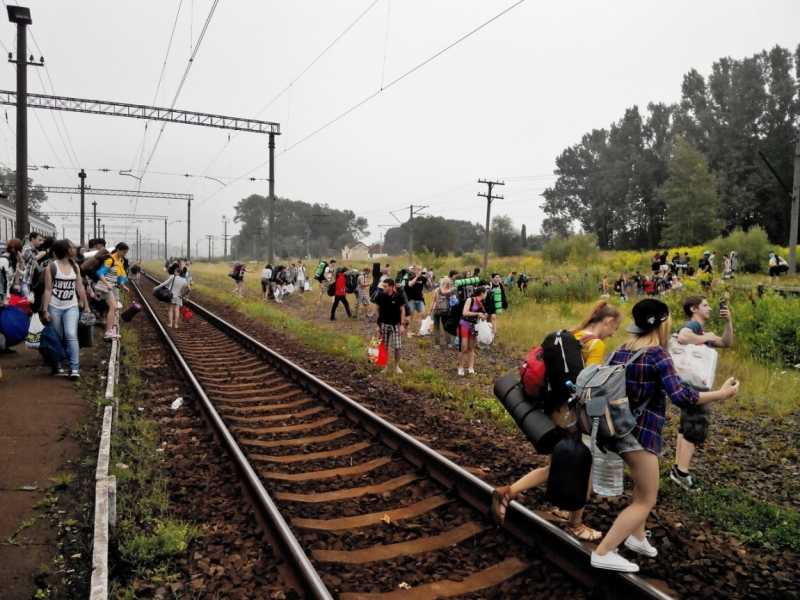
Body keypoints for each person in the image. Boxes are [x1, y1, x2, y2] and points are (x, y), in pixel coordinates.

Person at [590, 299, 739, 572]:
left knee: (640, 488)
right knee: (646, 499)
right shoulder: (657, 354)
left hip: (615, 429)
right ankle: (604, 551)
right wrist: (723, 394)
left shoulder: (621, 350)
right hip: (640, 435)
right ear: (662, 323)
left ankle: (636, 538)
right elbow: (683, 397)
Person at [490, 301, 623, 540]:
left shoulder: (572, 334)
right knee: (584, 468)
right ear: (609, 321)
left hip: (553, 410)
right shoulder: (596, 344)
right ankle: (576, 524)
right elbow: (589, 385)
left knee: (558, 466)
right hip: (572, 417)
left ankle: (508, 492)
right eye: (615, 328)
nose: (613, 333)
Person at [670, 295, 733, 491]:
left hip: (688, 381)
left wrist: (728, 322)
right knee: (697, 423)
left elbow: (726, 342)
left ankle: (677, 468)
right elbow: (683, 337)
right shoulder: (693, 326)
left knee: (686, 425)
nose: (710, 308)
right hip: (694, 384)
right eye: (705, 305)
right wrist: (707, 337)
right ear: (694, 309)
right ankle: (682, 473)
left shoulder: (701, 330)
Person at [42, 239, 91, 378]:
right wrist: (45, 310)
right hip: (54, 306)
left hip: (71, 306)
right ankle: (56, 366)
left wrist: (86, 304)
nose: (74, 249)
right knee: (56, 337)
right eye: (71, 247)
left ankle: (74, 368)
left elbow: (79, 287)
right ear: (64, 250)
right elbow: (48, 290)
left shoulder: (75, 266)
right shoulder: (51, 267)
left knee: (71, 334)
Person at [95, 242, 130, 340]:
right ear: (118, 249)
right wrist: (107, 284)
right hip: (106, 287)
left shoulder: (120, 260)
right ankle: (108, 332)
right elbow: (100, 273)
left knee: (114, 308)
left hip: (113, 286)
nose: (124, 254)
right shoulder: (110, 260)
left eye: (126, 253)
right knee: (113, 307)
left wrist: (123, 285)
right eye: (123, 252)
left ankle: (110, 330)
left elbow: (118, 275)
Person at [373, 279, 405, 374]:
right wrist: (377, 325)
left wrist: (402, 325)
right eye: (383, 286)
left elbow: (402, 310)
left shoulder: (398, 296)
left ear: (391, 287)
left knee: (397, 346)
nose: (384, 288)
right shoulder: (380, 296)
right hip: (383, 324)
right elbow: (377, 310)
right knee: (384, 346)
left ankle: (396, 366)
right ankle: (385, 365)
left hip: (395, 324)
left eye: (385, 286)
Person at [457, 286, 488, 376]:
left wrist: (483, 316)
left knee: (471, 347)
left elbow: (481, 318)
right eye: (485, 293)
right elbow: (465, 312)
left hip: (473, 327)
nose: (486, 295)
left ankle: (471, 367)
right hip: (464, 325)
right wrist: (477, 313)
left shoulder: (481, 304)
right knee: (463, 348)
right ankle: (461, 367)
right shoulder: (470, 300)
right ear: (482, 293)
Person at [433, 270, 457, 349]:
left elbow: (434, 301)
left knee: (436, 327)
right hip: (446, 310)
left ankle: (437, 344)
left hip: (436, 309)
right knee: (446, 326)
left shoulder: (437, 290)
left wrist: (430, 310)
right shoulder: (450, 291)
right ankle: (449, 343)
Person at [404, 265, 428, 337]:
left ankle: (419, 332)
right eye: (418, 269)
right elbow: (410, 284)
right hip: (411, 299)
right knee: (410, 316)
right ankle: (409, 332)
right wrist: (417, 277)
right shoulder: (411, 277)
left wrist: (428, 277)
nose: (420, 271)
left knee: (422, 314)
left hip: (420, 299)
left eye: (421, 269)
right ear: (415, 270)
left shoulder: (423, 278)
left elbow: (430, 285)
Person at [20, 232, 46, 296]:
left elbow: (33, 262)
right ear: (32, 239)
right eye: (39, 240)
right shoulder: (27, 250)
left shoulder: (33, 250)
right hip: (23, 279)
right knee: (27, 301)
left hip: (27, 280)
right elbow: (20, 263)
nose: (41, 242)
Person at [0, 237, 23, 307]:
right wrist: (5, 298)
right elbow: (3, 281)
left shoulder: (12, 260)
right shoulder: (4, 260)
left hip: (4, 293)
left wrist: (21, 261)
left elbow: (20, 273)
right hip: (2, 295)